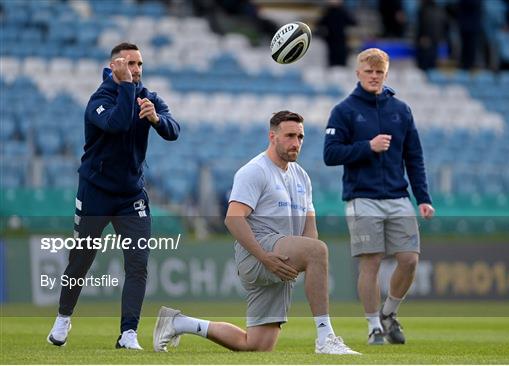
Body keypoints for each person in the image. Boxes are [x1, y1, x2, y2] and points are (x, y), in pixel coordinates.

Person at [153, 111, 360, 355]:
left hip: (280, 258)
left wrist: (302, 258)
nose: (296, 142)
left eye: (301, 137)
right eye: (290, 136)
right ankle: (326, 338)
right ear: (272, 137)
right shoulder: (254, 170)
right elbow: (233, 218)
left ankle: (179, 322)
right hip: (258, 253)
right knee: (318, 250)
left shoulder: (302, 176)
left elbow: (309, 226)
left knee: (256, 345)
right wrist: (265, 256)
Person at [47, 42, 181, 349]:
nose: (136, 69)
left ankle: (128, 333)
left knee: (138, 264)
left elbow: (174, 130)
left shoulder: (149, 97)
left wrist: (157, 120)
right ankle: (63, 317)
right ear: (115, 66)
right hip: (95, 193)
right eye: (130, 64)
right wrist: (126, 89)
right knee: (81, 260)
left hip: (131, 195)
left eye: (140, 64)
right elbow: (117, 123)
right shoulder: (100, 99)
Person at [323, 48, 435, 345]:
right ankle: (373, 326)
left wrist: (423, 197)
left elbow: (414, 157)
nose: (374, 77)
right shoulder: (344, 110)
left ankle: (389, 312)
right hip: (362, 197)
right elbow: (330, 154)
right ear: (358, 73)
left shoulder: (401, 110)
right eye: (369, 71)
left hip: (398, 197)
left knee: (409, 260)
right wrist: (367, 147)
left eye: (379, 72)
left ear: (386, 75)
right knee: (370, 263)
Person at [317, 0, 357, 67]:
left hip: (340, 40)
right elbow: (320, 24)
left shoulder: (343, 12)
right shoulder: (328, 12)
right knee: (333, 60)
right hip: (331, 40)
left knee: (340, 59)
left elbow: (353, 22)